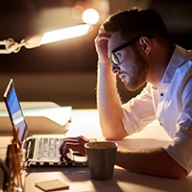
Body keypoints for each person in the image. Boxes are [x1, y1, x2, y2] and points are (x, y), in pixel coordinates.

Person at [59, 7, 192, 179]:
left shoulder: (188, 80)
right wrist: (104, 61)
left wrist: (97, 150)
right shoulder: (160, 83)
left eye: (116, 56)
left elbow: (175, 164)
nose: (114, 69)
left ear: (144, 45)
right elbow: (115, 128)